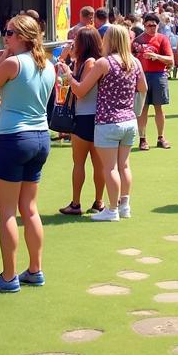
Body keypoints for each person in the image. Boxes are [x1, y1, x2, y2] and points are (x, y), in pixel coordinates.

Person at [0, 14, 56, 292]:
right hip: (40, 137)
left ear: (21, 36)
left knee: (7, 212)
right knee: (30, 210)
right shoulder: (49, 65)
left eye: (9, 33)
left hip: (14, 138)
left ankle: (9, 277)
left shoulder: (12, 62)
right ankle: (35, 269)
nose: (5, 38)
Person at [59, 24, 146, 221]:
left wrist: (69, 75)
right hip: (129, 120)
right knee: (124, 166)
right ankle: (124, 206)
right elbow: (142, 87)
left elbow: (80, 91)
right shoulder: (134, 62)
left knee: (110, 168)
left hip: (108, 121)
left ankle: (112, 209)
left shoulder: (104, 63)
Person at [58, 26, 106, 216]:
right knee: (86, 163)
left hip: (88, 116)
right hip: (86, 115)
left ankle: (91, 202)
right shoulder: (82, 62)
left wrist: (69, 74)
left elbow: (80, 90)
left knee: (89, 163)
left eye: (75, 40)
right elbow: (62, 67)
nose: (73, 43)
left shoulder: (90, 63)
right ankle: (90, 202)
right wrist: (65, 58)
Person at [133, 12, 174, 150]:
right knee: (143, 109)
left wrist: (156, 56)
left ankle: (161, 137)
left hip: (158, 75)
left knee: (159, 107)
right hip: (142, 76)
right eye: (149, 25)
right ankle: (142, 138)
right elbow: (130, 58)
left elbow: (170, 60)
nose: (152, 28)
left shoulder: (163, 39)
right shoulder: (137, 41)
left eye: (154, 25)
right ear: (144, 25)